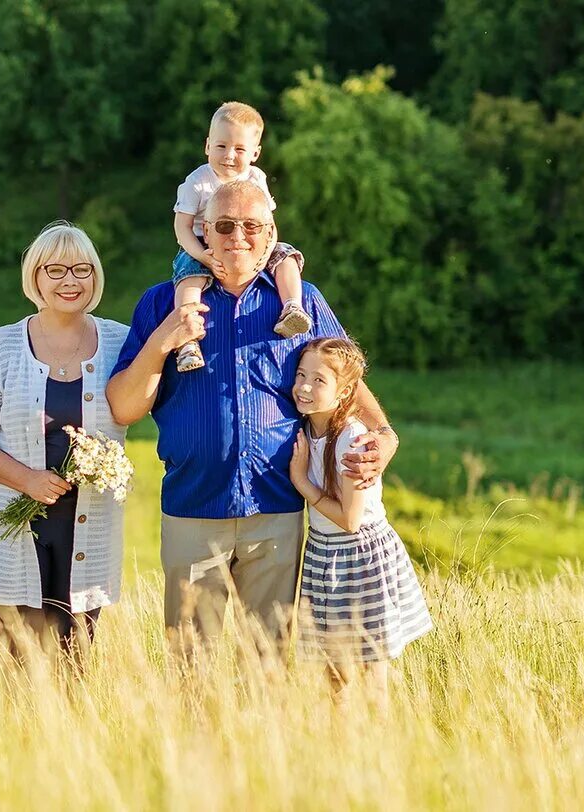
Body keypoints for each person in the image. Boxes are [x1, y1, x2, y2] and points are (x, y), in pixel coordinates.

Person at [106, 180, 399, 659]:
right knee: (190, 664)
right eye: (224, 225)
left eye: (251, 226)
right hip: (193, 508)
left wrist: (384, 434)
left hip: (277, 508)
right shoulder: (164, 302)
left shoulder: (298, 302)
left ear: (270, 235)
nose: (237, 236)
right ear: (203, 231)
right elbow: (123, 407)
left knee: (268, 662)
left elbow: (344, 376)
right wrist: (164, 339)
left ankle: (261, 736)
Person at [0, 222, 129, 669]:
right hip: (18, 527)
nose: (70, 281)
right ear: (35, 277)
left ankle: (68, 740)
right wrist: (26, 480)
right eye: (56, 270)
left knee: (78, 657)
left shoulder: (121, 342)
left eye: (82, 270)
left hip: (88, 523)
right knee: (17, 660)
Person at [289, 337, 432, 702]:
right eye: (300, 375)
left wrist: (302, 482)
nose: (304, 386)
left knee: (371, 673)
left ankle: (380, 745)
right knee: (335, 675)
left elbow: (350, 519)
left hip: (359, 557)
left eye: (319, 380)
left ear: (345, 391)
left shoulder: (352, 438)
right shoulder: (307, 429)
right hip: (324, 555)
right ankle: (344, 747)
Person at [170, 101, 311, 373]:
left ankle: (292, 307)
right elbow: (182, 228)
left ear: (255, 153)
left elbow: (269, 225)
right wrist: (202, 255)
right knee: (189, 276)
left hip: (252, 243)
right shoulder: (197, 182)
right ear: (207, 146)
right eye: (221, 147)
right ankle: (187, 340)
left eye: (240, 149)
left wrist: (266, 252)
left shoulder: (256, 178)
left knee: (287, 256)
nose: (229, 156)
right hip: (201, 242)